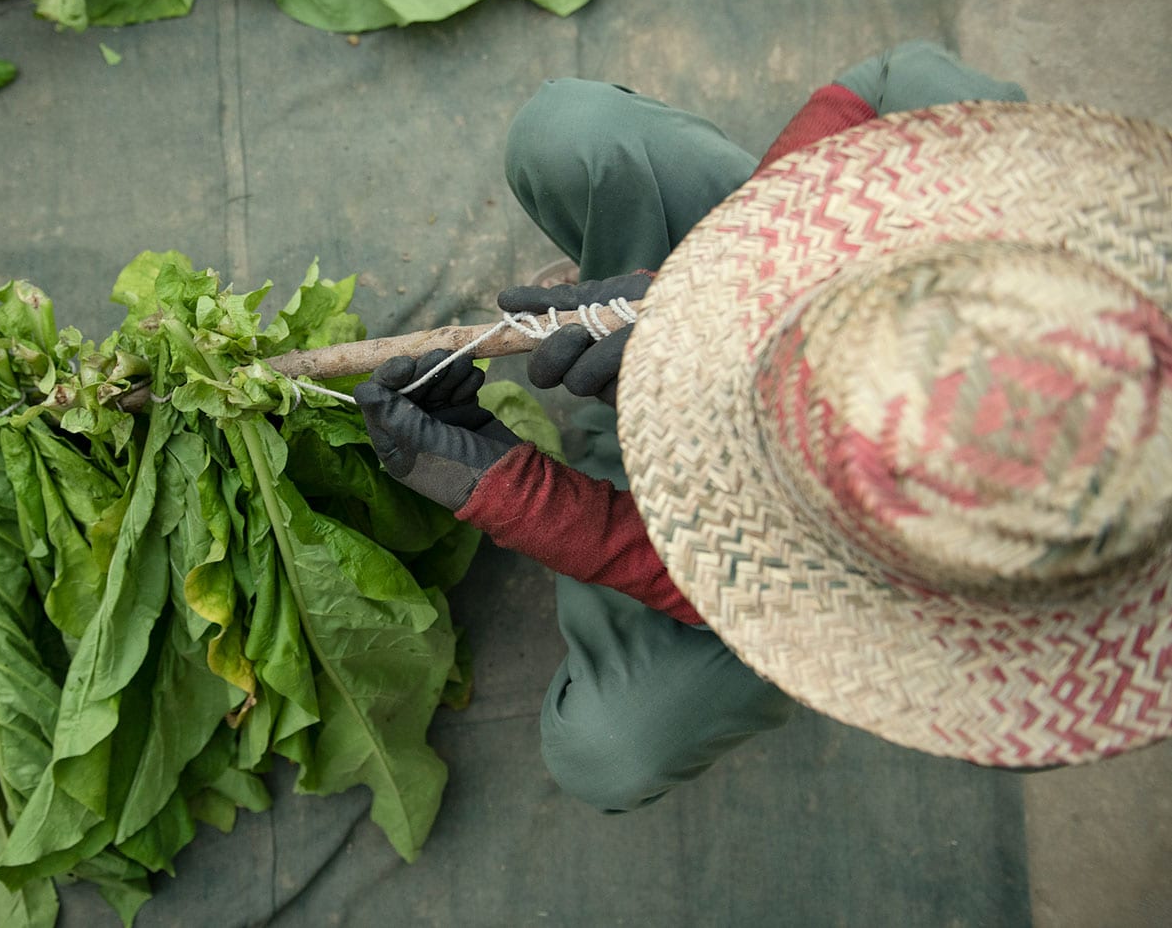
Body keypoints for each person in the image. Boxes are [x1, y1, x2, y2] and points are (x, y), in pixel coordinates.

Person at [353, 42, 1033, 811]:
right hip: (793, 290)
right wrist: (731, 288)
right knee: (572, 133)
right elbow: (888, 82)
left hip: (771, 552)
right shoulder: (1052, 252)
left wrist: (519, 495)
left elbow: (782, 590)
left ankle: (644, 448)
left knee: (610, 750)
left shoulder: (1011, 622)